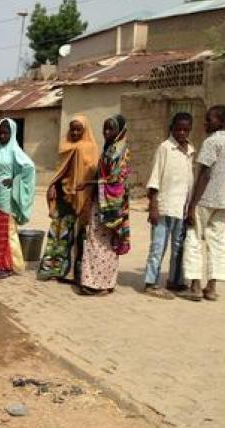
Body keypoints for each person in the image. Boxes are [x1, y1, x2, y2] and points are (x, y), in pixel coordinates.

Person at [181, 105, 225, 302]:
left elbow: (204, 174)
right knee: (218, 242)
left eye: (209, 119)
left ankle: (196, 286)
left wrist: (192, 205)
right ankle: (212, 287)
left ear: (221, 122)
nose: (205, 123)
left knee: (194, 238)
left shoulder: (211, 142)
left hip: (206, 199)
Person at [37, 115, 99, 282]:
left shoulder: (89, 148)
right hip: (63, 196)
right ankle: (50, 269)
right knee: (56, 233)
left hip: (80, 197)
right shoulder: (65, 146)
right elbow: (59, 172)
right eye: (73, 129)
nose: (75, 132)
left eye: (79, 129)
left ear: (85, 130)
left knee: (76, 236)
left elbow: (91, 173)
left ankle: (72, 273)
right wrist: (52, 187)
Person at [142, 112, 195, 298]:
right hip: (164, 206)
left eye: (186, 129)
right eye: (178, 129)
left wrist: (190, 208)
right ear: (172, 128)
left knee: (179, 246)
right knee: (158, 246)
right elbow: (154, 178)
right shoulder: (164, 148)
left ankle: (175, 280)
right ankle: (150, 282)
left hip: (182, 207)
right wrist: (153, 206)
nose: (182, 132)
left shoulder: (190, 150)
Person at [77, 115, 131, 296]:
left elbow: (115, 180)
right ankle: (97, 281)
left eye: (111, 129)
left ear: (120, 131)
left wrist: (88, 184)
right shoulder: (109, 148)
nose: (106, 132)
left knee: (104, 242)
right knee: (96, 240)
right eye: (105, 129)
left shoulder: (119, 151)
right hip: (100, 201)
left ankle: (101, 284)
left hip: (111, 204)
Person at [0, 118, 36, 278]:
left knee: (5, 232)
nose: (2, 136)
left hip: (6, 198)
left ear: (12, 134)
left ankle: (6, 266)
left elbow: (29, 168)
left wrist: (15, 179)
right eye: (0, 133)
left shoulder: (14, 151)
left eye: (6, 133)